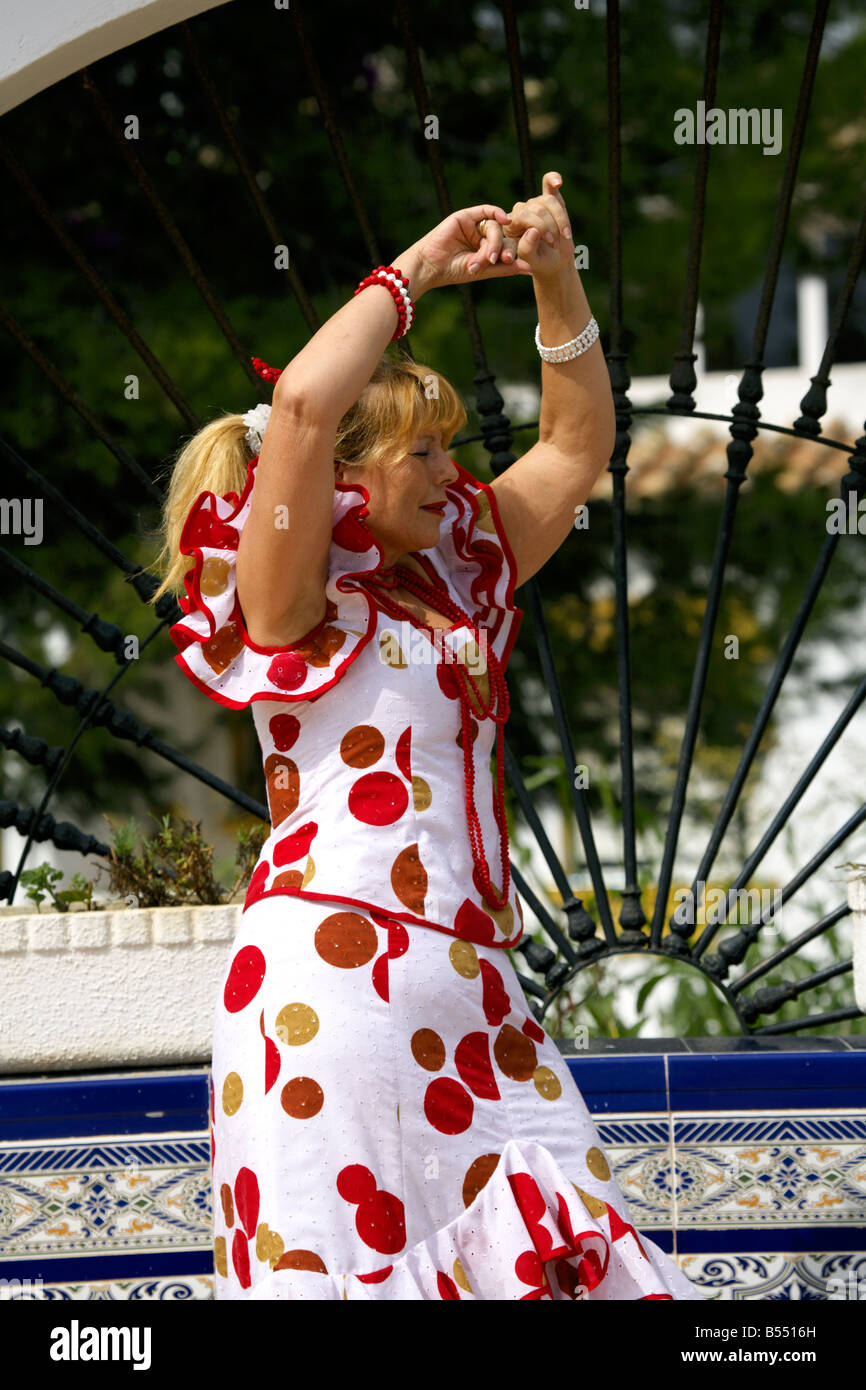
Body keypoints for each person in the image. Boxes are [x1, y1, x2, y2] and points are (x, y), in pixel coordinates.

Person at [150, 171, 704, 1301]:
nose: (453, 474)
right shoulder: (292, 594)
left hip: (473, 990)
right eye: (423, 453)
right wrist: (412, 273)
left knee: (571, 1265)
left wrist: (555, 281)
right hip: (333, 990)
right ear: (339, 478)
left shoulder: (457, 575)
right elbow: (304, 400)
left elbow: (578, 440)